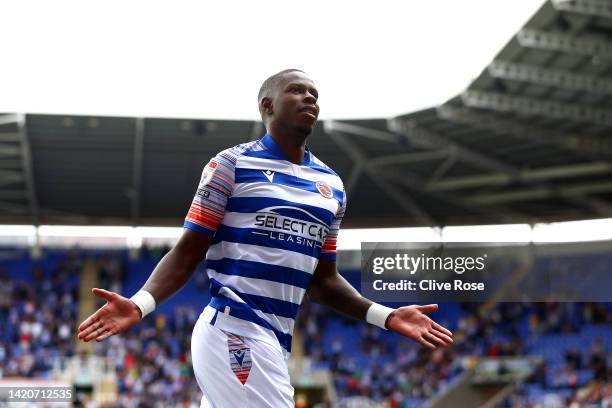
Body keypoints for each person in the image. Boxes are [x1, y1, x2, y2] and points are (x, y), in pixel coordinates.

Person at [77, 69, 454, 407]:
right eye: (297, 90)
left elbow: (323, 281)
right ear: (267, 105)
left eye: (314, 94)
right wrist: (140, 304)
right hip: (235, 328)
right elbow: (188, 250)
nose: (310, 98)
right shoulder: (231, 165)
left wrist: (386, 316)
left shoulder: (331, 185)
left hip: (275, 339)